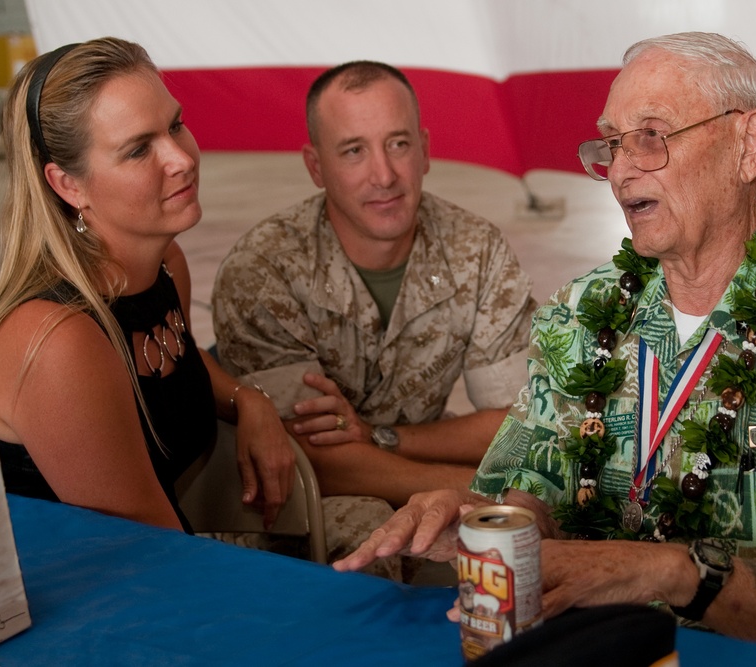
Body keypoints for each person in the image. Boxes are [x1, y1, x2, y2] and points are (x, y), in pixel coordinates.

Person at [334, 32, 756, 666]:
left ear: (748, 144)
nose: (622, 169)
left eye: (652, 136)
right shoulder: (584, 309)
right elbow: (530, 494)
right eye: (611, 143)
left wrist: (670, 571)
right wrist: (478, 516)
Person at [211, 61, 537, 576]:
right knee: (370, 542)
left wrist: (383, 437)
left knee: (526, 536)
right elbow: (313, 460)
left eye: (399, 144)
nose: (383, 175)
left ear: (426, 150)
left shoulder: (476, 250)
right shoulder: (265, 269)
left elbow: (519, 423)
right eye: (354, 151)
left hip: (415, 465)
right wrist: (466, 487)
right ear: (316, 166)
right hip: (307, 499)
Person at [0, 37, 296, 533]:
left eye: (176, 125)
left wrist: (247, 399)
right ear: (68, 185)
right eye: (139, 149)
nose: (182, 158)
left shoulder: (165, 265)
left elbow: (184, 362)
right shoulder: (59, 340)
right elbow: (152, 548)